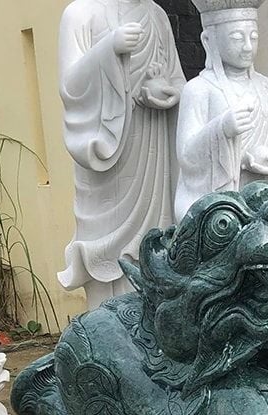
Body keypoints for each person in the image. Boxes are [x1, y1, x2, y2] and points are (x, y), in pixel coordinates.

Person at [57, 0, 185, 310]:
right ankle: (107, 322)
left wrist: (163, 91)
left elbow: (177, 81)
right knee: (104, 248)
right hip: (106, 152)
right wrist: (108, 49)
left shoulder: (157, 16)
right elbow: (70, 87)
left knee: (154, 242)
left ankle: (153, 324)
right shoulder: (80, 14)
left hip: (152, 149)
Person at [175, 0, 268, 221]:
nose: (248, 47)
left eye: (254, 37)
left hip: (266, 197)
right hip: (221, 205)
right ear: (209, 40)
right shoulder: (198, 89)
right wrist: (221, 129)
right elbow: (186, 156)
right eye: (237, 38)